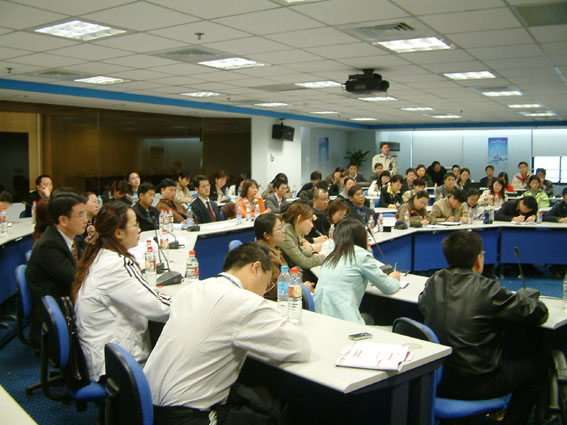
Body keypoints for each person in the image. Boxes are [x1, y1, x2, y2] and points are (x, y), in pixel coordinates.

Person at [145, 243, 311, 424]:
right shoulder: (243, 301)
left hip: (148, 407)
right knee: (280, 413)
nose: (264, 292)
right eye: (267, 283)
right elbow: (299, 347)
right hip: (187, 417)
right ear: (255, 268)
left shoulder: (192, 289)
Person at [418, 230, 549, 425]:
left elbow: (422, 303)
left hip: (437, 378)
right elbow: (536, 314)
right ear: (478, 260)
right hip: (477, 384)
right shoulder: (487, 288)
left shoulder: (434, 281)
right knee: (538, 368)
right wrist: (529, 299)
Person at [73, 201, 171, 381]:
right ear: (118, 233)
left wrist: (160, 297)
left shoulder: (102, 255)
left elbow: (144, 295)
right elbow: (160, 308)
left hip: (106, 355)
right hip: (117, 366)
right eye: (135, 225)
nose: (139, 229)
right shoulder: (116, 265)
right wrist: (187, 301)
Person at [26, 192, 87, 348]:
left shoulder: (67, 239)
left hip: (68, 303)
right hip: (57, 318)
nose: (85, 220)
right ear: (63, 220)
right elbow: (76, 280)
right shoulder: (49, 246)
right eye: (81, 215)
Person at [314, 217, 400, 324]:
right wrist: (394, 278)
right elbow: (388, 287)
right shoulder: (361, 255)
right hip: (346, 321)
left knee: (367, 317)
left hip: (322, 318)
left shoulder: (331, 254)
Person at [278, 202, 325, 270]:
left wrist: (312, 253)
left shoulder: (290, 230)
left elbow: (298, 250)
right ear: (299, 218)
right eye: (310, 220)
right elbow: (304, 262)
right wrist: (325, 258)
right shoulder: (285, 234)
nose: (312, 225)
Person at [254, 213, 288, 301]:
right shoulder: (266, 256)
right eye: (279, 228)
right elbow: (275, 290)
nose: (283, 231)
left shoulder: (271, 249)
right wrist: (299, 287)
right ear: (267, 235)